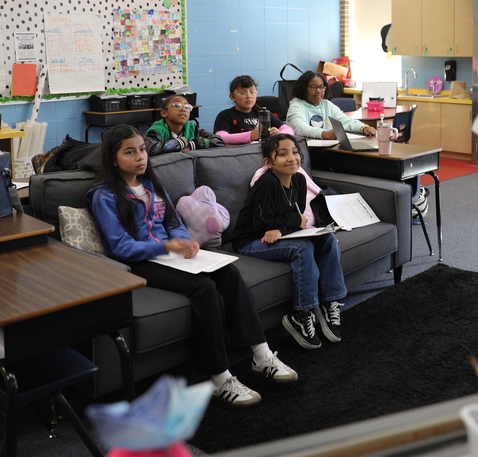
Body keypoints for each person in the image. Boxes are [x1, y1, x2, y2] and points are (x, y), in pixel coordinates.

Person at [87, 125, 296, 406]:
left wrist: (186, 242)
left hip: (170, 255)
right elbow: (118, 246)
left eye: (143, 150)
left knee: (229, 273)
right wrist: (166, 247)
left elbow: (172, 222)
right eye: (130, 152)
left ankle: (261, 355)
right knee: (204, 288)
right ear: (113, 159)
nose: (140, 157)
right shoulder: (105, 194)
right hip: (139, 261)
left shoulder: (150, 184)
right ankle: (219, 377)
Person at [232, 134, 347, 350]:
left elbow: (297, 220)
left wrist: (284, 228)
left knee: (327, 237)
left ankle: (329, 301)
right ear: (269, 162)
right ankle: (301, 314)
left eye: (295, 152)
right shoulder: (266, 183)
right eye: (282, 154)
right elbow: (261, 224)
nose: (291, 158)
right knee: (302, 247)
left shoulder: (299, 180)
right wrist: (289, 224)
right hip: (249, 241)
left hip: (276, 234)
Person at [286, 71, 376, 140]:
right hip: (308, 152)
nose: (318, 91)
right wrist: (323, 133)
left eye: (321, 87)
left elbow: (345, 120)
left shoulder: (326, 105)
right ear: (303, 89)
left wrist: (363, 128)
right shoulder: (296, 105)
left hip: (328, 149)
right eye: (313, 87)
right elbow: (299, 127)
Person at [213, 75, 293, 145]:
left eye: (252, 92)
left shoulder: (263, 113)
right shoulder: (225, 115)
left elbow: (289, 130)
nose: (249, 96)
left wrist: (280, 134)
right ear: (232, 97)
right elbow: (221, 137)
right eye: (242, 93)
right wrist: (250, 135)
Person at [145, 95, 223, 155]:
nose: (183, 109)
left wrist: (192, 144)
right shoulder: (157, 130)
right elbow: (150, 148)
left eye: (187, 107)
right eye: (177, 106)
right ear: (164, 113)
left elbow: (218, 141)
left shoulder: (192, 128)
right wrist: (180, 143)